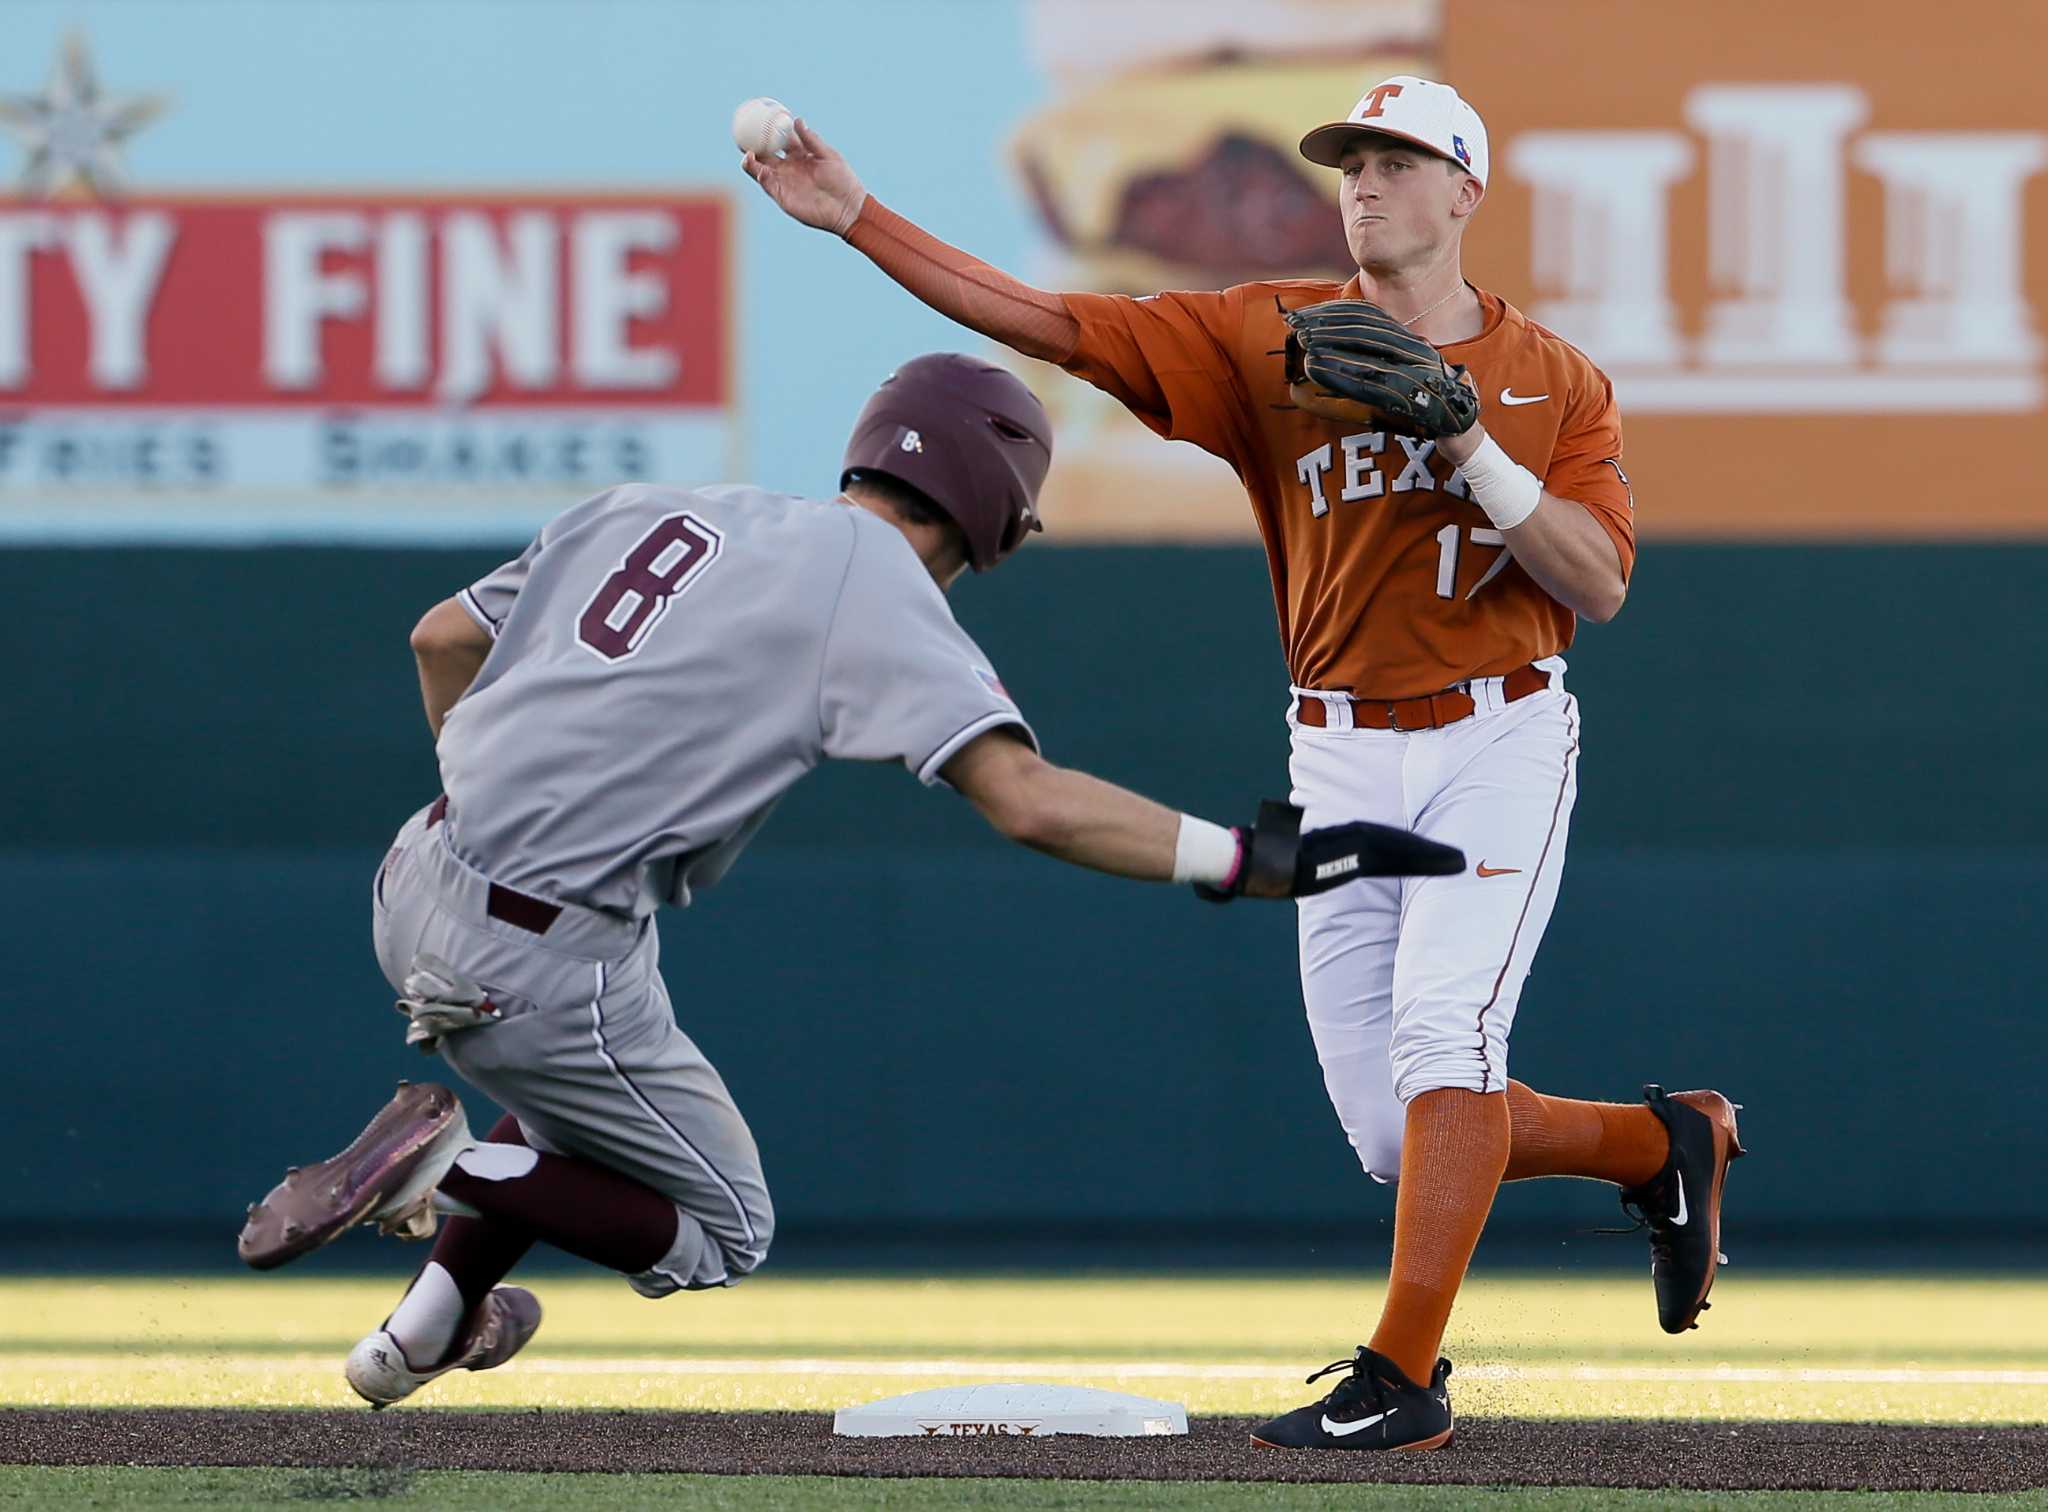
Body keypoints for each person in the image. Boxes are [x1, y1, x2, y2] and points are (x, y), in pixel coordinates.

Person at [744, 77, 1746, 1453]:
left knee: (1446, 1043)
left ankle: (1400, 1377)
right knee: (1400, 1137)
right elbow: (1047, 322)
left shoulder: (1556, 379)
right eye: (1349, 161)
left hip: (1499, 731)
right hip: (1337, 749)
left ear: (1465, 190)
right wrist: (857, 217)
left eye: (1398, 161)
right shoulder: (1263, 332)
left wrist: (1461, 432)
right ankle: (1657, 1144)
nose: (1365, 182)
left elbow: (1601, 582)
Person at [235, 352, 1462, 1409]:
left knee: (573, 1118)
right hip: (543, 945)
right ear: (990, 507)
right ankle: (435, 1172)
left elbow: (440, 637)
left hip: (420, 869)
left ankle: (422, 1330)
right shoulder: (869, 580)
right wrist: (1241, 859)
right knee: (722, 1230)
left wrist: (485, 789)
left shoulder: (660, 504)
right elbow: (1027, 804)